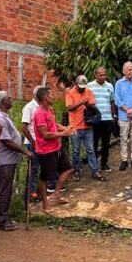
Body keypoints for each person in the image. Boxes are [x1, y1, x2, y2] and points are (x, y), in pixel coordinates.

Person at [0, 91, 33, 231]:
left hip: (6, 159)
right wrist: (25, 151)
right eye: (9, 98)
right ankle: (2, 221)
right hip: (4, 160)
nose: (12, 99)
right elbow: (6, 141)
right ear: (2, 101)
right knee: (4, 190)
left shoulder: (2, 116)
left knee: (2, 189)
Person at [32, 86, 75, 214]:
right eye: (51, 95)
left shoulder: (49, 110)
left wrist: (66, 128)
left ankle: (56, 194)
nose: (53, 97)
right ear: (45, 98)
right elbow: (45, 134)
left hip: (56, 148)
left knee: (69, 169)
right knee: (44, 178)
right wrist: (63, 134)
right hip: (46, 151)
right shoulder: (39, 113)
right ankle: (45, 204)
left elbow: (54, 125)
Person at [65, 75, 105, 182]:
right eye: (80, 86)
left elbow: (92, 107)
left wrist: (87, 104)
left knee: (91, 150)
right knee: (75, 151)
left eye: (83, 86)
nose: (82, 88)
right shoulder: (70, 93)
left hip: (88, 126)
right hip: (75, 127)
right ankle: (76, 171)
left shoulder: (89, 92)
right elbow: (69, 108)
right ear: (75, 84)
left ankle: (95, 171)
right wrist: (81, 102)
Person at [114, 61, 132, 171]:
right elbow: (118, 100)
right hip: (123, 115)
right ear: (124, 71)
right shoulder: (119, 84)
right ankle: (124, 160)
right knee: (124, 138)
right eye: (129, 69)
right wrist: (128, 111)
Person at [88, 67, 117, 172]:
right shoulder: (89, 86)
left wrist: (114, 115)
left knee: (106, 143)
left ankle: (104, 163)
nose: (103, 77)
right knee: (94, 142)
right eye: (101, 75)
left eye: (104, 75)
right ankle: (94, 165)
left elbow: (112, 101)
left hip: (107, 119)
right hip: (95, 120)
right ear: (95, 75)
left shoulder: (109, 86)